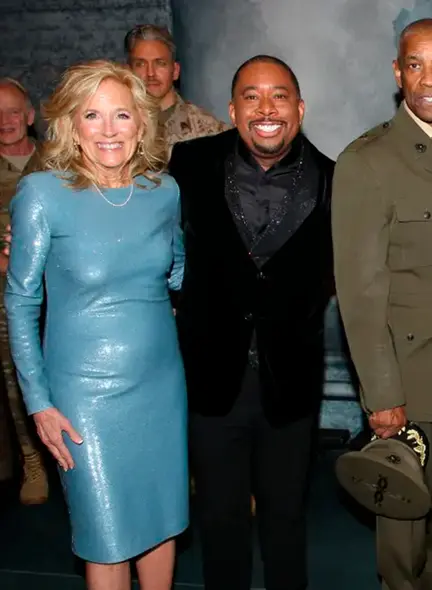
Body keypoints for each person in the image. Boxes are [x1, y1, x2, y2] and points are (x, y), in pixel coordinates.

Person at [5, 59, 186, 589]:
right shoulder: (42, 194)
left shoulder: (164, 191)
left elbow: (177, 270)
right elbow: (20, 303)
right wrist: (39, 403)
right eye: (92, 115)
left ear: (141, 124)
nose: (109, 129)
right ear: (71, 125)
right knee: (105, 536)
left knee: (161, 523)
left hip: (160, 384)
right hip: (83, 397)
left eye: (122, 115)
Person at [332, 18, 432, 590]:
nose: (429, 79)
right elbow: (360, 291)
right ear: (397, 74)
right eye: (415, 65)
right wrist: (382, 395)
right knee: (403, 522)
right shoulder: (368, 160)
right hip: (410, 375)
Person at [168, 55, 334, 590]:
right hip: (211, 379)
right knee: (220, 522)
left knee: (286, 521)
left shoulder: (335, 179)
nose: (266, 108)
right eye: (252, 96)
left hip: (291, 382)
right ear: (233, 109)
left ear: (300, 109)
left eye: (279, 96)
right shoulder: (187, 164)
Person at [0, 77, 47, 505]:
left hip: (59, 290)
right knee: (15, 374)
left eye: (13, 111)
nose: (5, 121)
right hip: (6, 294)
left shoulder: (57, 161)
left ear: (30, 116)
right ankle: (32, 459)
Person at [124, 24, 227, 156]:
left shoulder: (207, 130)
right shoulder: (117, 127)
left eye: (160, 63)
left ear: (175, 71)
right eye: (140, 64)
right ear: (128, 72)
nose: (150, 73)